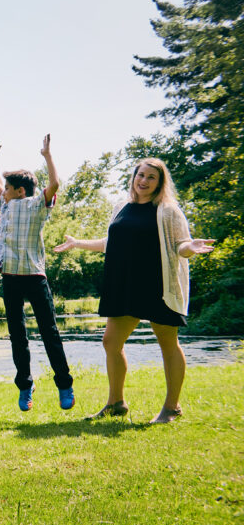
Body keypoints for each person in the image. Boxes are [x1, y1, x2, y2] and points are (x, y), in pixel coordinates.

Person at [54, 158, 214, 424]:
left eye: (151, 177)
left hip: (158, 287)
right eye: (141, 175)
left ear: (160, 183)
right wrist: (77, 243)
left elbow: (180, 245)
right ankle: (116, 403)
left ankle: (171, 408)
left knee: (167, 344)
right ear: (134, 177)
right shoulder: (121, 207)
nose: (144, 181)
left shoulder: (168, 210)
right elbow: (111, 242)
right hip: (124, 285)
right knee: (110, 342)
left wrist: (191, 247)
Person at [0, 134, 75, 411]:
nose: (2, 192)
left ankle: (64, 384)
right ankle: (25, 386)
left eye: (8, 188)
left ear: (21, 191)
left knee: (49, 332)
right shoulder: (6, 204)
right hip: (10, 278)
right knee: (17, 334)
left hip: (35, 277)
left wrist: (47, 156)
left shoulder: (37, 206)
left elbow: (54, 184)